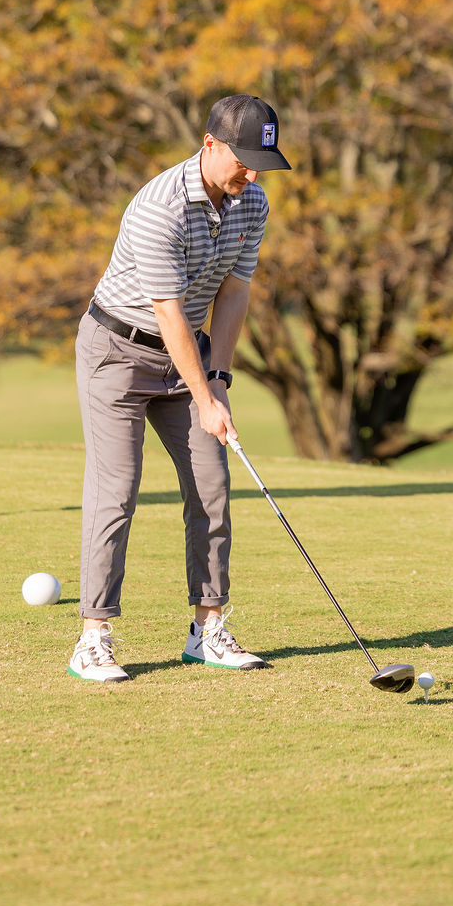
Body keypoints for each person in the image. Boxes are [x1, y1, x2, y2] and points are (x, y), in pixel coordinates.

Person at [67, 95, 291, 683]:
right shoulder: (159, 207)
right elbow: (167, 312)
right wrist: (205, 399)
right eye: (243, 161)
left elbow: (235, 291)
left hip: (189, 355)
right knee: (117, 491)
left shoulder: (252, 202)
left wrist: (218, 379)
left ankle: (207, 630)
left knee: (211, 486)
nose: (252, 175)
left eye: (261, 164)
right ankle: (93, 638)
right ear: (209, 144)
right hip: (118, 352)